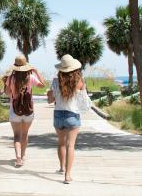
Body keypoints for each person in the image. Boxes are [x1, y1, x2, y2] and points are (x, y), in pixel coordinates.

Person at [47, 54, 90, 184]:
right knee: (70, 145)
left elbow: (50, 101)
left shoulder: (55, 81)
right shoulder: (79, 81)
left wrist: (50, 94)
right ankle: (67, 175)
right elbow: (85, 104)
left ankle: (61, 167)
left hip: (58, 115)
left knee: (61, 143)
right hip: (72, 116)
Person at [2, 54, 45, 167]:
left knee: (17, 136)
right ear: (26, 66)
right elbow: (43, 85)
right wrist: (36, 71)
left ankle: (18, 158)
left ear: (15, 66)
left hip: (14, 110)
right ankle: (23, 155)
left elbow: (7, 93)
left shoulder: (11, 78)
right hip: (28, 110)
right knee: (25, 134)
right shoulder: (30, 77)